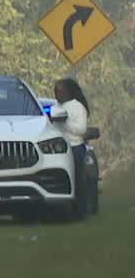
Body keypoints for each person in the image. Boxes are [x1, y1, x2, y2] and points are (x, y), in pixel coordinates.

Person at [54, 77, 90, 214]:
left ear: (68, 92)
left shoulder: (78, 107)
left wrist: (65, 122)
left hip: (75, 147)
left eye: (60, 91)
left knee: (78, 179)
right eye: (55, 91)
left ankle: (80, 210)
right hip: (58, 149)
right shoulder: (56, 107)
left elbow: (81, 129)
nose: (57, 95)